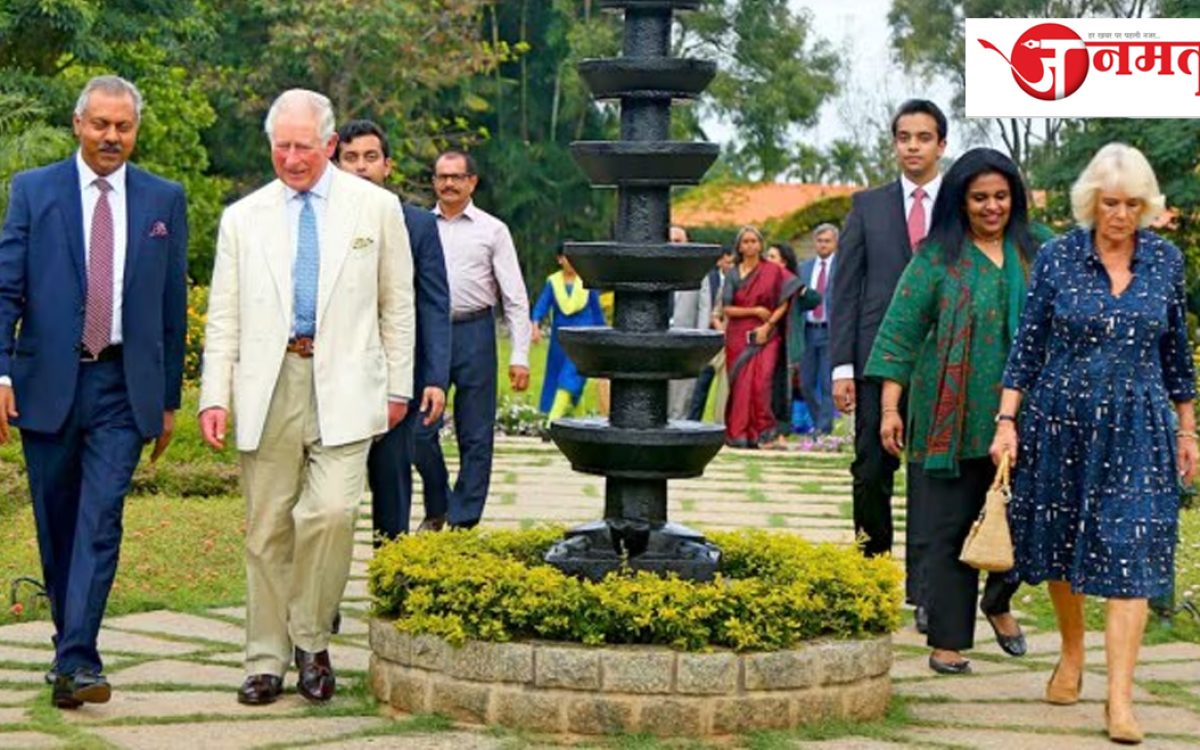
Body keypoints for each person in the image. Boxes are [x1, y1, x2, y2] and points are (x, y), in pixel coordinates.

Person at [198, 89, 415, 706]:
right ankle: (266, 658)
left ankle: (311, 639)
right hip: (269, 384)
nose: (292, 158)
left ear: (328, 145)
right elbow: (224, 316)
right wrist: (215, 394)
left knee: (333, 513)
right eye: (281, 146)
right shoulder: (244, 217)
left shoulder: (376, 209)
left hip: (346, 383)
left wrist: (398, 383)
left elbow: (397, 304)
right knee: (267, 529)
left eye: (303, 146)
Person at [990, 143, 1196, 744]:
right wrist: (1007, 422)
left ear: (1147, 205)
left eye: (1133, 204)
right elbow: (1027, 347)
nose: (1121, 215)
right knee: (1062, 541)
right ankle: (1074, 655)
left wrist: (1188, 428)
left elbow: (1175, 353)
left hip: (1139, 423)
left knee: (1131, 548)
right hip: (1061, 418)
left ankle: (1120, 700)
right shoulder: (1057, 259)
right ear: (1091, 202)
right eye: (1110, 203)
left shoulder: (1165, 263)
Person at [0, 75, 187, 709]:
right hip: (47, 384)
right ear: (78, 124)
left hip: (119, 385)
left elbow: (169, 309)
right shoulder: (33, 191)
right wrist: (0, 372)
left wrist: (166, 400)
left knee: (100, 520)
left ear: (136, 129)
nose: (112, 137)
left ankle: (79, 661)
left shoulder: (165, 199)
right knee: (57, 526)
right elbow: (6, 290)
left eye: (124, 126)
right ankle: (68, 648)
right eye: (101, 124)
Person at [866, 148, 1037, 676]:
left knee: (1028, 522)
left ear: (1016, 199)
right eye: (979, 197)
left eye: (1001, 196)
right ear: (961, 201)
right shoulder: (935, 258)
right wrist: (890, 408)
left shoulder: (1039, 254)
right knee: (947, 530)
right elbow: (899, 333)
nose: (992, 207)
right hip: (950, 419)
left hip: (1027, 419)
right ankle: (947, 641)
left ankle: (999, 601)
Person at [831, 99, 947, 632]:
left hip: (945, 363)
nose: (913, 146)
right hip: (878, 362)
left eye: (924, 137)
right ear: (895, 144)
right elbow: (846, 291)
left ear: (941, 145)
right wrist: (841, 368)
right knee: (871, 472)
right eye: (904, 137)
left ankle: (926, 591)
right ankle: (871, 576)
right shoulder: (868, 207)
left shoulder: (959, 208)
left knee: (930, 479)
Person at [333, 119, 451, 540]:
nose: (361, 167)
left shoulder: (418, 224)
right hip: (336, 372)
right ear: (335, 164)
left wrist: (435, 377)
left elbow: (435, 305)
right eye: (350, 158)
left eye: (370, 157)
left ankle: (392, 572)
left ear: (388, 165)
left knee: (392, 479)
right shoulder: (323, 220)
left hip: (399, 373)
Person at [426, 150, 531, 529]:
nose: (448, 184)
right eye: (441, 177)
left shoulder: (492, 230)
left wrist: (520, 355)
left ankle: (463, 517)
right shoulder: (420, 226)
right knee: (419, 430)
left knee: (475, 431)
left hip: (475, 333)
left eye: (456, 177)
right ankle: (438, 503)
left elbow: (515, 297)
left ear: (472, 181)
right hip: (429, 333)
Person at [722, 226, 816, 448]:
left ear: (761, 244)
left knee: (762, 383)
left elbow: (786, 297)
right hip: (739, 336)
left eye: (754, 241)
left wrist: (770, 323)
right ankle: (739, 434)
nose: (750, 245)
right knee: (741, 385)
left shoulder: (773, 270)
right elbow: (727, 309)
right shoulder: (733, 274)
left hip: (768, 334)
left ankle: (764, 433)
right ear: (739, 246)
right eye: (745, 241)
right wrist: (754, 311)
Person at [531, 247, 605, 421]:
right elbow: (542, 305)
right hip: (560, 340)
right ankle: (579, 421)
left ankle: (552, 422)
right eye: (567, 257)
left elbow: (597, 312)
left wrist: (603, 339)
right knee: (559, 378)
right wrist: (535, 326)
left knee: (570, 376)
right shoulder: (553, 282)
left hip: (583, 339)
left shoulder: (587, 281)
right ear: (559, 259)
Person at [765, 241, 819, 446]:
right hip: (764, 341)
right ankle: (764, 432)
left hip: (786, 344)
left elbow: (814, 300)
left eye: (772, 257)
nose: (768, 260)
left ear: (784, 262)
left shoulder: (793, 284)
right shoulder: (761, 281)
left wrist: (801, 288)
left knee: (783, 391)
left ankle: (782, 433)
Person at [797, 224, 838, 435]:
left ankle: (823, 429)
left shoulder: (842, 267)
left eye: (827, 241)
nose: (823, 245)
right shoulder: (804, 268)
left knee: (827, 382)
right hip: (808, 330)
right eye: (820, 241)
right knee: (805, 383)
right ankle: (817, 422)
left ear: (835, 243)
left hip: (831, 331)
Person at [668, 225, 712, 419]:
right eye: (670, 240)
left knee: (682, 391)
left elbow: (704, 307)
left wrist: (699, 338)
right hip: (656, 337)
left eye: (678, 241)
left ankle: (677, 427)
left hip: (684, 338)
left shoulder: (698, 271)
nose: (673, 245)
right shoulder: (652, 269)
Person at [688, 247, 734, 422]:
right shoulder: (710, 278)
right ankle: (693, 420)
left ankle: (721, 420)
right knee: (701, 382)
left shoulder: (735, 279)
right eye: (728, 262)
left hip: (729, 341)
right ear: (720, 261)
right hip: (710, 339)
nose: (730, 265)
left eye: (733, 262)